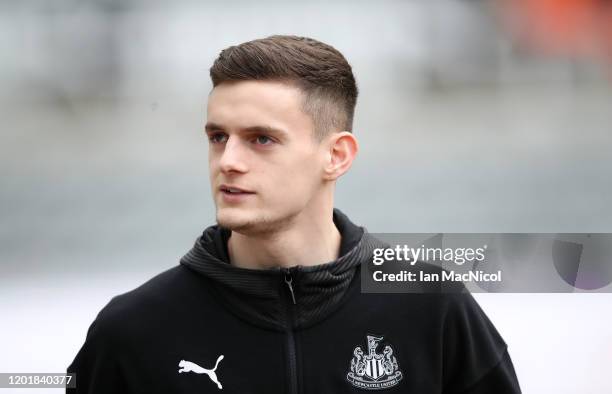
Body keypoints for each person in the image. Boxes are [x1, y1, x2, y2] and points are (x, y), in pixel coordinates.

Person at [67, 35, 521, 393]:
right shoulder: (132, 332)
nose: (229, 161)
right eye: (218, 137)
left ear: (337, 156)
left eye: (261, 138)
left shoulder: (433, 309)